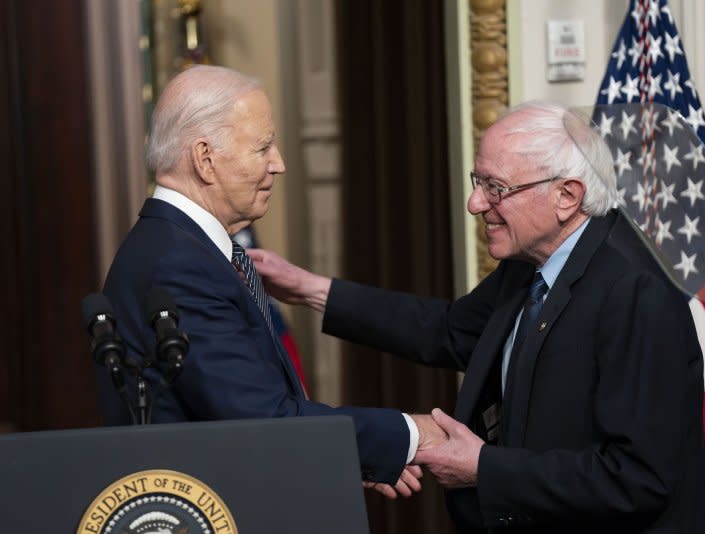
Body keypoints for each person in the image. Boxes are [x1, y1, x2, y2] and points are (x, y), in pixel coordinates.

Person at [248, 101, 705, 532]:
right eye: (480, 183)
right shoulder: (528, 265)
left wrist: (484, 468)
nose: (477, 204)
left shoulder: (635, 291)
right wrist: (309, 289)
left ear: (567, 196)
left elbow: (638, 478)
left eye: (496, 188)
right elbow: (449, 330)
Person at [97, 65, 444, 496]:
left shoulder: (181, 247)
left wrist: (351, 455)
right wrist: (410, 432)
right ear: (205, 159)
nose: (278, 164)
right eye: (263, 147)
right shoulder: (178, 263)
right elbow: (261, 420)